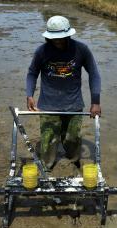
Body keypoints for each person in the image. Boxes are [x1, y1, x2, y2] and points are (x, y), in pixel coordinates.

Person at [26, 15, 101, 171]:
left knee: (72, 139)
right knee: (48, 140)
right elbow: (32, 73)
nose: (58, 41)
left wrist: (95, 101)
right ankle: (47, 167)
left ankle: (74, 163)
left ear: (69, 35)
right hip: (48, 104)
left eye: (62, 38)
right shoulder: (42, 51)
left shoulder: (81, 50)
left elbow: (94, 74)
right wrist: (29, 94)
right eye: (55, 38)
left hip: (73, 104)